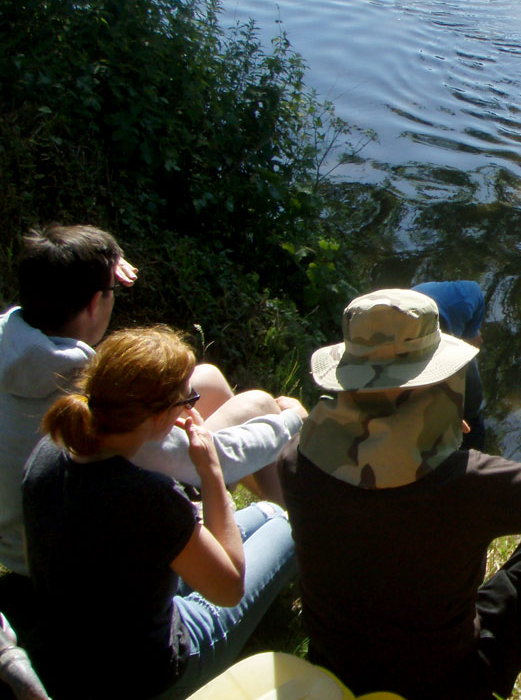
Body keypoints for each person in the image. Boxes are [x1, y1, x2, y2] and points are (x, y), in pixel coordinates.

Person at [279, 289, 521, 700]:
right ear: (433, 382)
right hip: (448, 681)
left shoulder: (297, 460)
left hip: (338, 669)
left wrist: (427, 429)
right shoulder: (463, 484)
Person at [0, 225, 304, 622]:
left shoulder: (14, 344)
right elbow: (217, 458)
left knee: (208, 379)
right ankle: (298, 529)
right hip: (67, 560)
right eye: (111, 292)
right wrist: (289, 421)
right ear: (95, 303)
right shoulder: (95, 406)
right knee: (261, 404)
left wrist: (102, 260)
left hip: (21, 541)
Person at [21, 326, 298, 698]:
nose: (190, 407)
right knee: (281, 520)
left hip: (67, 653)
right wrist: (212, 473)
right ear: (159, 417)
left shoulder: (47, 452)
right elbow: (230, 588)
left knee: (263, 513)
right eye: (187, 400)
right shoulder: (146, 496)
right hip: (147, 674)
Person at [411, 280, 487, 451]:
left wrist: (470, 335)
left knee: (470, 400)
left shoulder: (464, 298)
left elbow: (472, 343)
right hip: (407, 335)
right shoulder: (394, 337)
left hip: (439, 319)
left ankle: (471, 440)